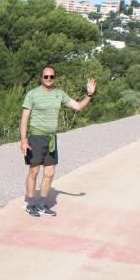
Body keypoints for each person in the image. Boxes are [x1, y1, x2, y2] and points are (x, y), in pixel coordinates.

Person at [20, 65, 96, 217]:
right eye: (46, 76)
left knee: (50, 172)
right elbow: (24, 118)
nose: (48, 79)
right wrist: (23, 140)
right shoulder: (32, 94)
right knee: (34, 171)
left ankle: (41, 204)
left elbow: (78, 107)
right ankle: (31, 204)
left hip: (51, 138)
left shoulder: (59, 94)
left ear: (55, 78)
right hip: (36, 137)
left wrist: (89, 95)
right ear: (41, 78)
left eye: (51, 76)